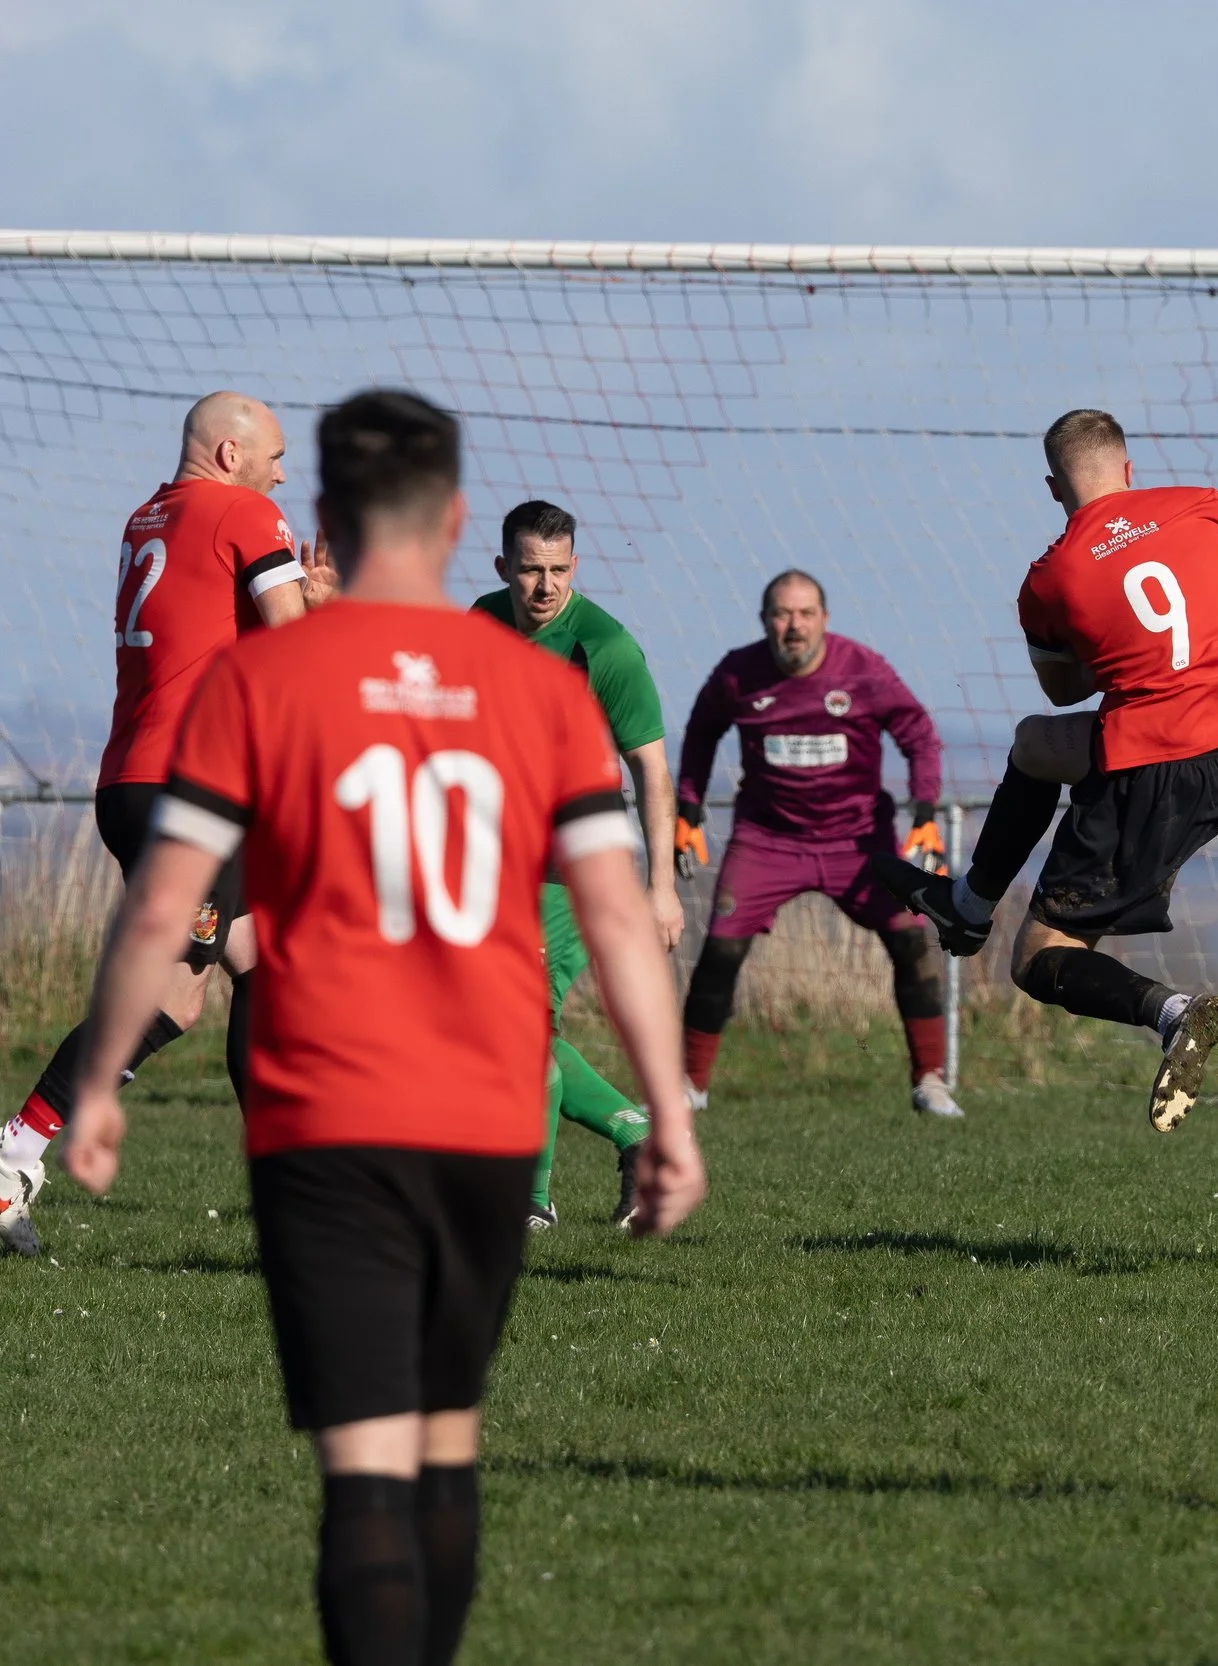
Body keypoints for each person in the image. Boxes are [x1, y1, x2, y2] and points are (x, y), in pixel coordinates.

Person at [60, 388, 705, 1663]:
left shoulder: (264, 677)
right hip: (473, 1113)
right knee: (445, 1438)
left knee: (361, 1465)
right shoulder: (532, 689)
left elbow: (165, 906)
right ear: (460, 522)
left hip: (324, 1114)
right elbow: (623, 922)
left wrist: (93, 1089)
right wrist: (665, 1114)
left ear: (323, 523)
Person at [873, 408, 1218, 1131]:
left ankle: (1174, 1015)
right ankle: (970, 904)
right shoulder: (1207, 507)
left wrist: (1105, 631)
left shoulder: (1048, 578)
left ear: (1054, 488)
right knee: (1034, 744)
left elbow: (1065, 687)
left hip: (1150, 770)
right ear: (1129, 469)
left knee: (1040, 955)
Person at [2, 391, 317, 1257]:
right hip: (192, 793)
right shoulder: (248, 512)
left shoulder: (151, 515)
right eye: (274, 456)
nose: (283, 472)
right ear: (228, 453)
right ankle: (15, 1155)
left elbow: (217, 646)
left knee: (252, 961)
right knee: (173, 994)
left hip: (137, 781)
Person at [674, 568, 958, 1117]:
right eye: (782, 613)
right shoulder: (737, 674)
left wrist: (924, 811)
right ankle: (689, 1087)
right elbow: (702, 729)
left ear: (825, 620)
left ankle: (931, 1082)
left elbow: (918, 731)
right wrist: (687, 805)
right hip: (767, 840)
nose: (794, 625)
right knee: (720, 949)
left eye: (805, 614)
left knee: (911, 941)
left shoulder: (864, 670)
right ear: (765, 621)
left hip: (857, 841)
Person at [473, 501, 684, 1230]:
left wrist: (660, 888)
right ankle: (637, 1133)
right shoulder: (480, 624)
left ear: (576, 567)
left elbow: (653, 773)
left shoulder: (606, 648)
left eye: (559, 570)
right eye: (530, 570)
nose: (545, 586)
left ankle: (530, 1202)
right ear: (503, 568)